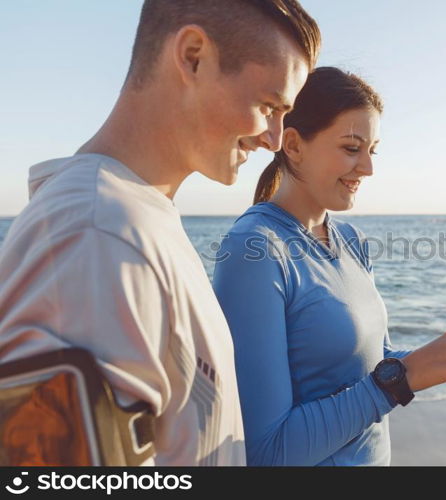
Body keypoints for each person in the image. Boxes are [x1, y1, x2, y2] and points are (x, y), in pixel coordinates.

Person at [0, 0, 320, 466]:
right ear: (193, 56)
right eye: (269, 106)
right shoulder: (99, 236)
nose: (274, 139)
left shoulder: (136, 219)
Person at [212, 67, 446, 466]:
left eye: (372, 150)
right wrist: (399, 380)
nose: (368, 168)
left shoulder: (350, 240)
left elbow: (371, 364)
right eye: (352, 148)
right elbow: (266, 451)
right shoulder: (254, 250)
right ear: (294, 145)